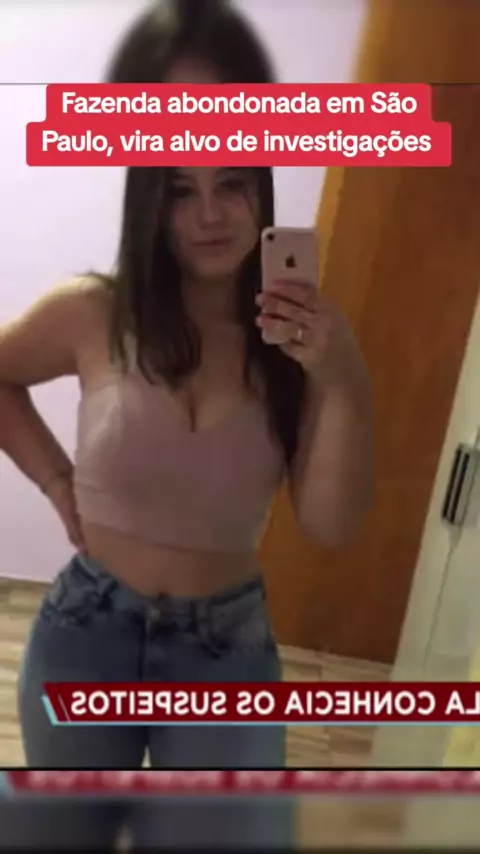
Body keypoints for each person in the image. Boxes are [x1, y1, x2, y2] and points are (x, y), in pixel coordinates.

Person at [0, 0, 373, 847]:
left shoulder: (298, 342)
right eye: (180, 190)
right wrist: (55, 479)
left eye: (231, 183)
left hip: (225, 654)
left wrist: (345, 376)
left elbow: (331, 524)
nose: (210, 214)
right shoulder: (93, 311)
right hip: (86, 631)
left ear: (260, 188)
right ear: (149, 202)